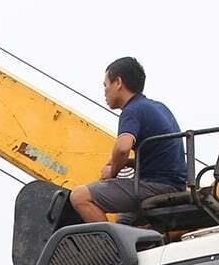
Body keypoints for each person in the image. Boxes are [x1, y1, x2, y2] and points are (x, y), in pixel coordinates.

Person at [68, 56, 188, 223]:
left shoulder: (132, 110)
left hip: (156, 186)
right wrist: (127, 163)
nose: (104, 91)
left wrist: (113, 171)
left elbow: (123, 148)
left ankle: (108, 247)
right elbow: (159, 155)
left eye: (106, 85)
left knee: (80, 196)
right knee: (123, 223)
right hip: (174, 185)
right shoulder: (158, 107)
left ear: (118, 82)